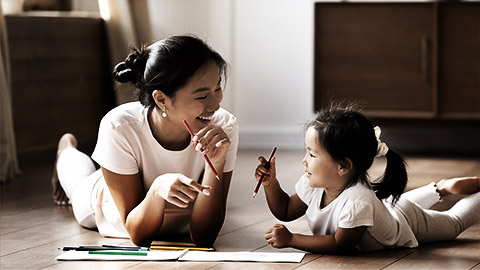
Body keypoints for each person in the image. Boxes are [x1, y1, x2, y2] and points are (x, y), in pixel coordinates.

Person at [51, 35, 239, 247]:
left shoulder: (224, 125)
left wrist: (216, 162)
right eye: (202, 97)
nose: (214, 105)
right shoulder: (119, 126)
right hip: (106, 206)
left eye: (217, 89)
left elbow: (205, 238)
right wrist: (157, 189)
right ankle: (66, 149)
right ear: (161, 99)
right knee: (78, 183)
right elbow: (138, 235)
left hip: (179, 222)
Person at [254, 104, 480, 253]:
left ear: (343, 166)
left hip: (407, 221)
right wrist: (270, 183)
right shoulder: (315, 184)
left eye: (312, 154)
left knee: (454, 222)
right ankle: (439, 189)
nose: (304, 161)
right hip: (388, 207)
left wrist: (292, 239)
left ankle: (447, 190)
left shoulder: (358, 200)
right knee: (398, 205)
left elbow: (340, 243)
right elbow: (284, 210)